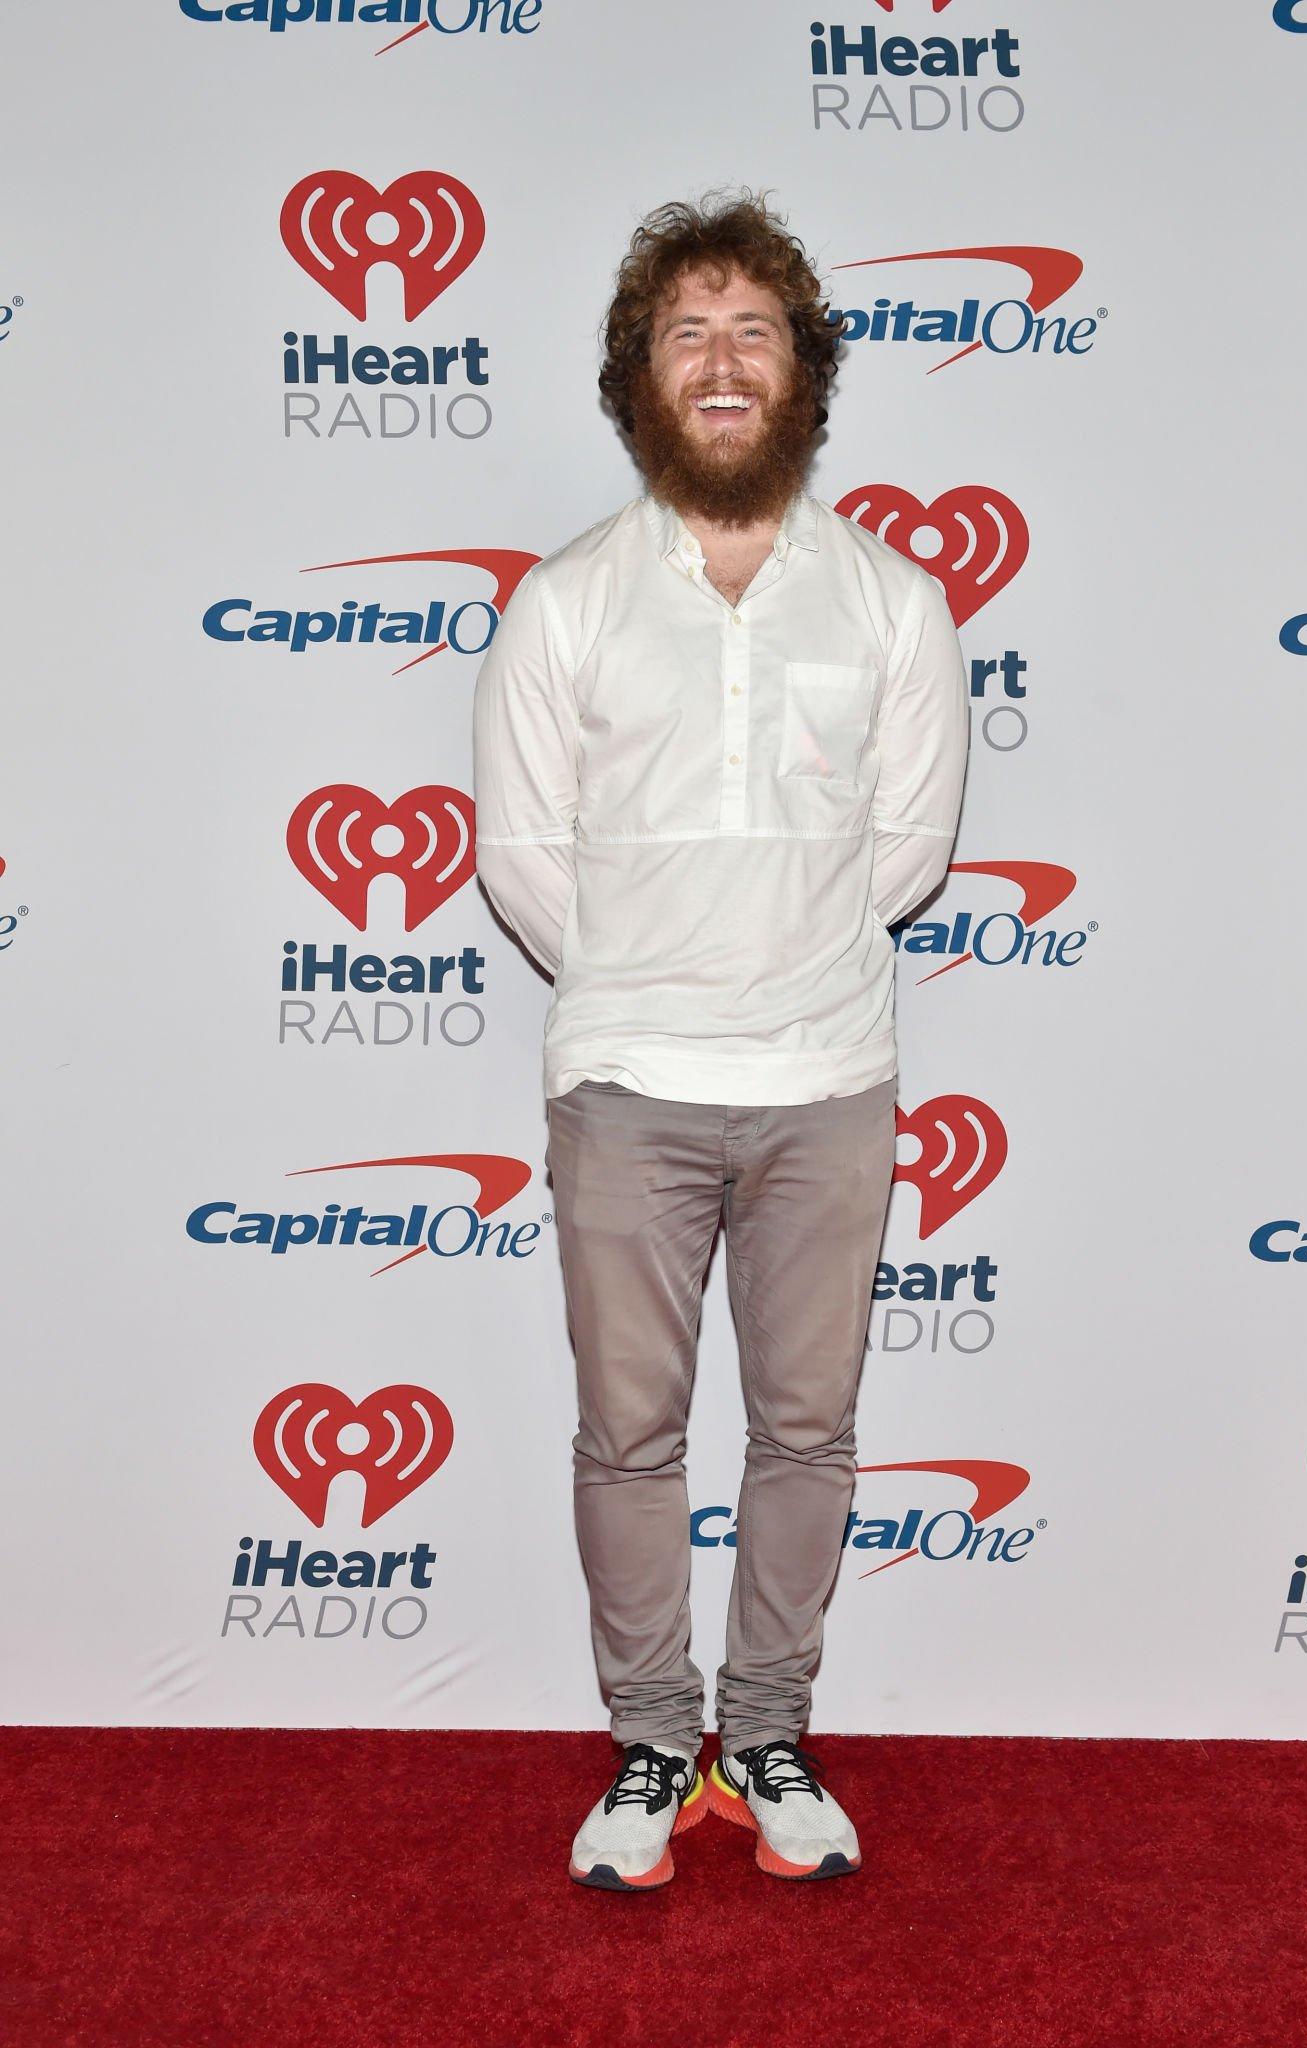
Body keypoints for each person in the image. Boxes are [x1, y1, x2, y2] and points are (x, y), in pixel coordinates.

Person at [472, 188, 970, 1890]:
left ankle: (768, 1731)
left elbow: (908, 850)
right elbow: (521, 856)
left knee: (809, 1433)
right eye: (687, 332)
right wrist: (645, 983)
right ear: (640, 382)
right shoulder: (565, 603)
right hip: (624, 1088)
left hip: (829, 1085)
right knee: (628, 1437)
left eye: (754, 328)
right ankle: (645, 1744)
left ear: (804, 374)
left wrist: (785, 968)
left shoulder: (899, 604)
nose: (723, 359)